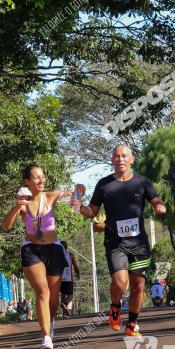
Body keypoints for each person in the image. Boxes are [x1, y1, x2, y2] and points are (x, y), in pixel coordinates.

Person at [73, 144, 166, 338]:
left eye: (124, 156)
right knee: (121, 283)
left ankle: (132, 324)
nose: (120, 159)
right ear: (112, 160)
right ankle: (115, 306)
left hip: (139, 243)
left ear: (131, 159)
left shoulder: (142, 182)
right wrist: (80, 207)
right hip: (115, 242)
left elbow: (156, 200)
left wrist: (159, 207)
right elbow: (92, 211)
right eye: (116, 156)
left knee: (138, 285)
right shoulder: (104, 184)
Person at [2, 164, 79, 349]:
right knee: (42, 292)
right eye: (36, 177)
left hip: (53, 249)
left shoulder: (50, 197)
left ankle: (49, 322)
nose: (41, 180)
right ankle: (46, 336)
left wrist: (78, 194)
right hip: (31, 250)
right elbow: (6, 227)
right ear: (27, 181)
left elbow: (73, 193)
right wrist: (15, 207)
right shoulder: (23, 203)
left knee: (53, 298)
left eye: (42, 177)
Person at [60, 240, 80, 318]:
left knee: (63, 294)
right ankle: (65, 304)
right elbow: (76, 266)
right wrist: (78, 274)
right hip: (68, 279)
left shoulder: (57, 256)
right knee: (70, 295)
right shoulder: (71, 255)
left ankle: (64, 311)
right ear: (67, 247)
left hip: (59, 279)